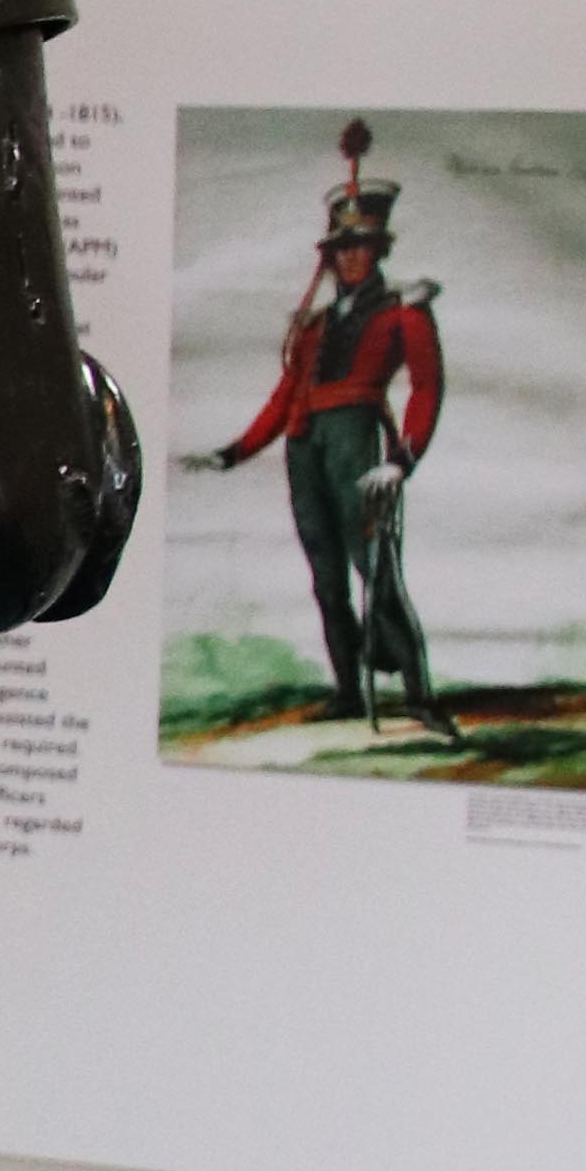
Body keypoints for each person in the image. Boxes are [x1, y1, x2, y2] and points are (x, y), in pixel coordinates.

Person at [189, 118, 452, 730]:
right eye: (342, 248)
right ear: (330, 257)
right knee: (326, 579)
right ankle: (348, 692)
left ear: (379, 250)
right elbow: (287, 396)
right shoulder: (312, 326)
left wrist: (401, 460)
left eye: (362, 246)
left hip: (358, 442)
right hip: (305, 450)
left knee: (377, 573)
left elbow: (427, 388)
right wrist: (232, 453)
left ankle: (419, 695)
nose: (351, 257)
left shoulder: (404, 313)